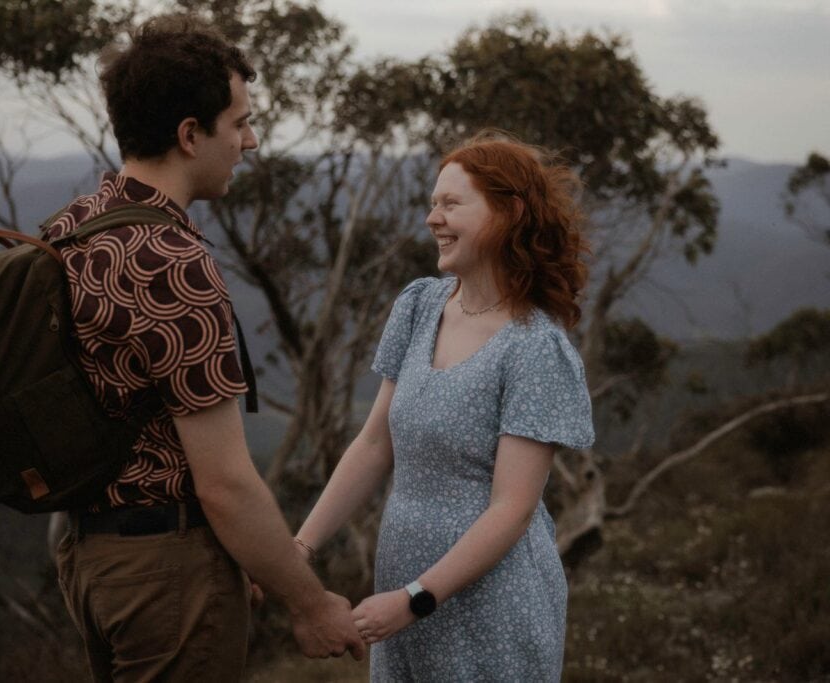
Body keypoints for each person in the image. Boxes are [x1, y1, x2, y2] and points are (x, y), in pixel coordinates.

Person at [46, 16, 364, 682]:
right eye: (239, 122)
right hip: (166, 567)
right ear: (190, 135)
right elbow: (223, 481)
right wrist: (309, 603)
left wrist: (247, 557)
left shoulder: (72, 226)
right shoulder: (171, 260)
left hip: (85, 554)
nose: (250, 140)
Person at [294, 132, 595, 681]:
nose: (433, 218)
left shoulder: (534, 346)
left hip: (491, 604)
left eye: (452, 204)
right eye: (433, 203)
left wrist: (414, 599)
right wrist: (301, 547)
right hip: (403, 594)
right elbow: (373, 444)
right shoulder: (420, 305)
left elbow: (513, 508)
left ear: (510, 213)